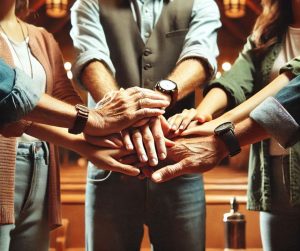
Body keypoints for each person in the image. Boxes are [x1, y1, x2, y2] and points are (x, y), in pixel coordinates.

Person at [0, 1, 167, 251]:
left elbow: (65, 99)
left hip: (43, 164)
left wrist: (94, 142)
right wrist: (96, 121)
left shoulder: (41, 36)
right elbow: (12, 104)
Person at [70, 0, 221, 250]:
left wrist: (158, 98)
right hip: (111, 163)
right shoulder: (89, 3)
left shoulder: (201, 3)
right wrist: (123, 112)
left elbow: (200, 56)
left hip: (179, 165)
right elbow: (90, 59)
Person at [164, 0, 300, 250]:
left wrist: (222, 127)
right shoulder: (268, 30)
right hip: (272, 172)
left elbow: (292, 81)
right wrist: (200, 115)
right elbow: (237, 78)